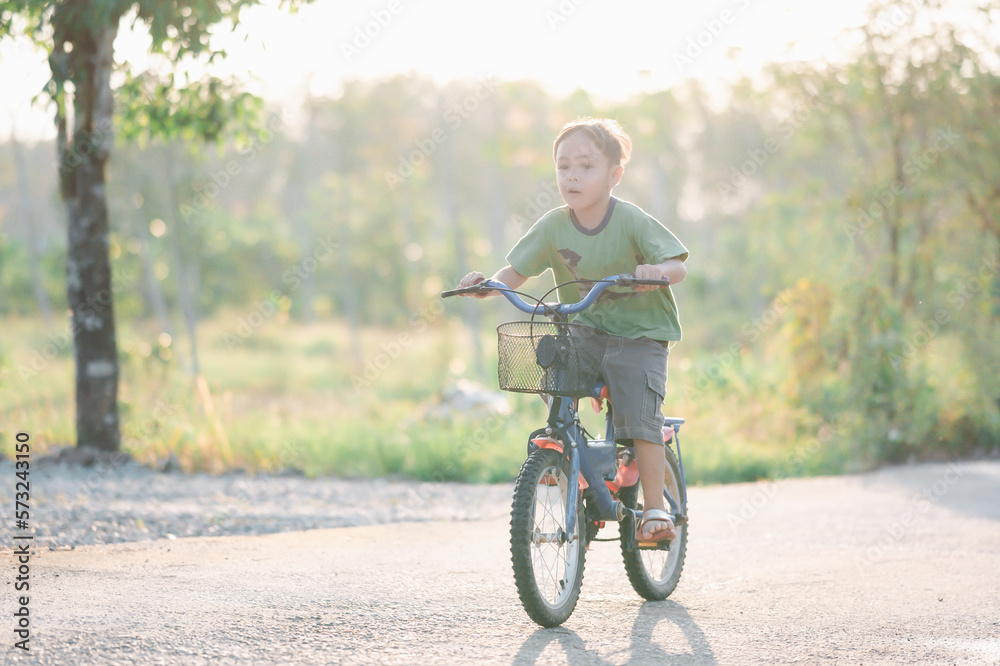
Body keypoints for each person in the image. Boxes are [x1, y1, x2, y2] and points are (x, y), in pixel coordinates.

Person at [457, 117, 688, 543]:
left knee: (640, 419)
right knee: (548, 359)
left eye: (585, 166)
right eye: (564, 167)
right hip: (586, 330)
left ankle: (655, 509)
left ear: (613, 176)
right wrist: (486, 287)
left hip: (639, 334)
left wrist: (656, 271)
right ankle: (568, 452)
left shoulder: (631, 220)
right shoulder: (552, 225)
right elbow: (515, 272)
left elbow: (678, 264)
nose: (572, 176)